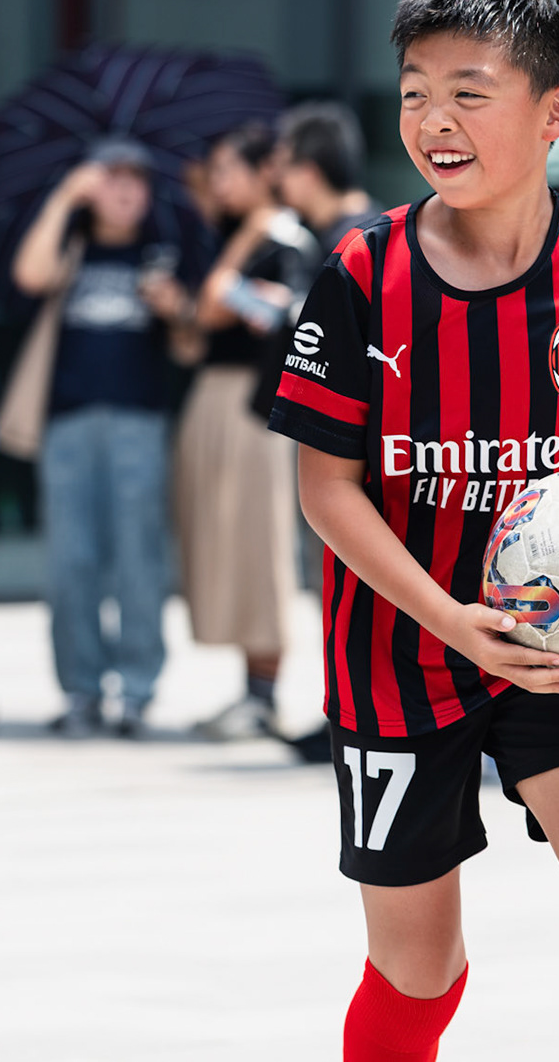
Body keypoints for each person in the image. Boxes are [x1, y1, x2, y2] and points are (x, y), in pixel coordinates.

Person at [267, 0, 559, 1062]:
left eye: (469, 90)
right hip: (395, 651)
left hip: (558, 641)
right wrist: (450, 618)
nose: (434, 118)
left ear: (556, 109)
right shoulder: (362, 273)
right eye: (416, 90)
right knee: (420, 973)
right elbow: (326, 488)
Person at [11, 137, 201, 739]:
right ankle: (81, 690)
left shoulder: (163, 251)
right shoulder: (71, 248)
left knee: (138, 561)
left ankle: (138, 690)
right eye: (113, 179)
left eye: (137, 181)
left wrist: (174, 307)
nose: (127, 192)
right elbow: (29, 274)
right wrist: (65, 196)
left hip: (139, 423)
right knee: (71, 562)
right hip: (67, 423)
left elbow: (192, 344)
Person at [176, 123, 320, 741]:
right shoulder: (229, 232)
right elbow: (199, 322)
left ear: (265, 171)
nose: (218, 181)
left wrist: (243, 258)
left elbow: (219, 306)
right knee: (226, 544)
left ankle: (263, 694)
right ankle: (251, 690)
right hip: (217, 398)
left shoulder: (287, 238)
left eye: (228, 168)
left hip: (263, 404)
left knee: (260, 544)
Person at [276, 101, 382, 255]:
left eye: (284, 168)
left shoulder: (352, 246)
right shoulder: (363, 225)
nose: (278, 180)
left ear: (309, 173)